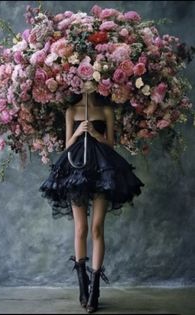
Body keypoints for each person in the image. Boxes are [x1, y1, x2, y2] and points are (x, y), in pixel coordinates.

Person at [39, 91, 145, 313]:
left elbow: (111, 144)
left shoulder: (106, 110)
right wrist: (78, 131)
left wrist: (97, 134)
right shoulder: (71, 110)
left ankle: (95, 288)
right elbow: (67, 145)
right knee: (81, 228)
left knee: (97, 228)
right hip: (75, 170)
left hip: (102, 170)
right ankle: (83, 288)